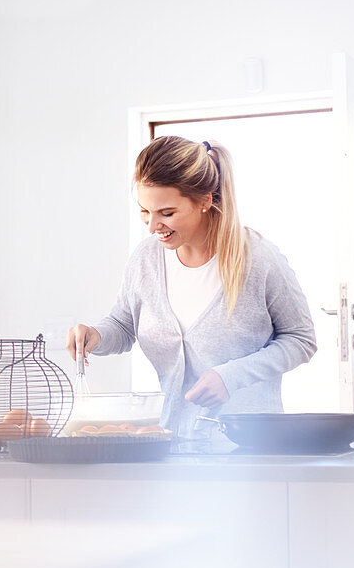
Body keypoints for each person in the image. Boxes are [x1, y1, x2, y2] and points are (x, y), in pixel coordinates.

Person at [66, 135, 316, 438]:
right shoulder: (146, 259)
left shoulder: (259, 259)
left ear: (205, 201)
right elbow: (124, 324)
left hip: (249, 447)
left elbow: (301, 339)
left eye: (167, 213)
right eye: (145, 211)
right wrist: (96, 335)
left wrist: (231, 377)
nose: (152, 226)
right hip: (172, 443)